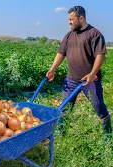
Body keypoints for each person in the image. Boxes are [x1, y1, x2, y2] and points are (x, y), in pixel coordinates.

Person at [46, 6, 111, 137]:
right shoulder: (69, 35)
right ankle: (61, 132)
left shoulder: (94, 34)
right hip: (71, 79)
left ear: (81, 18)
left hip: (90, 80)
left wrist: (92, 74)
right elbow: (61, 53)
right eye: (68, 19)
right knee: (64, 107)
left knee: (98, 106)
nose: (69, 22)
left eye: (71, 19)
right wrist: (52, 70)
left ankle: (108, 135)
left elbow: (100, 54)